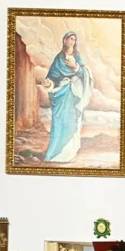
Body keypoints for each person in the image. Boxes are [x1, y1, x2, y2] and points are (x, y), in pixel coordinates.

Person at [43, 31, 93, 163]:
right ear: (64, 40)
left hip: (73, 95)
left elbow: (85, 73)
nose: (72, 41)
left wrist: (75, 67)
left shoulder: (77, 56)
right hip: (61, 94)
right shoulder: (58, 58)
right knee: (60, 123)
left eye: (74, 39)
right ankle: (56, 153)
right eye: (70, 39)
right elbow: (51, 77)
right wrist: (49, 83)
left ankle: (68, 153)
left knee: (71, 123)